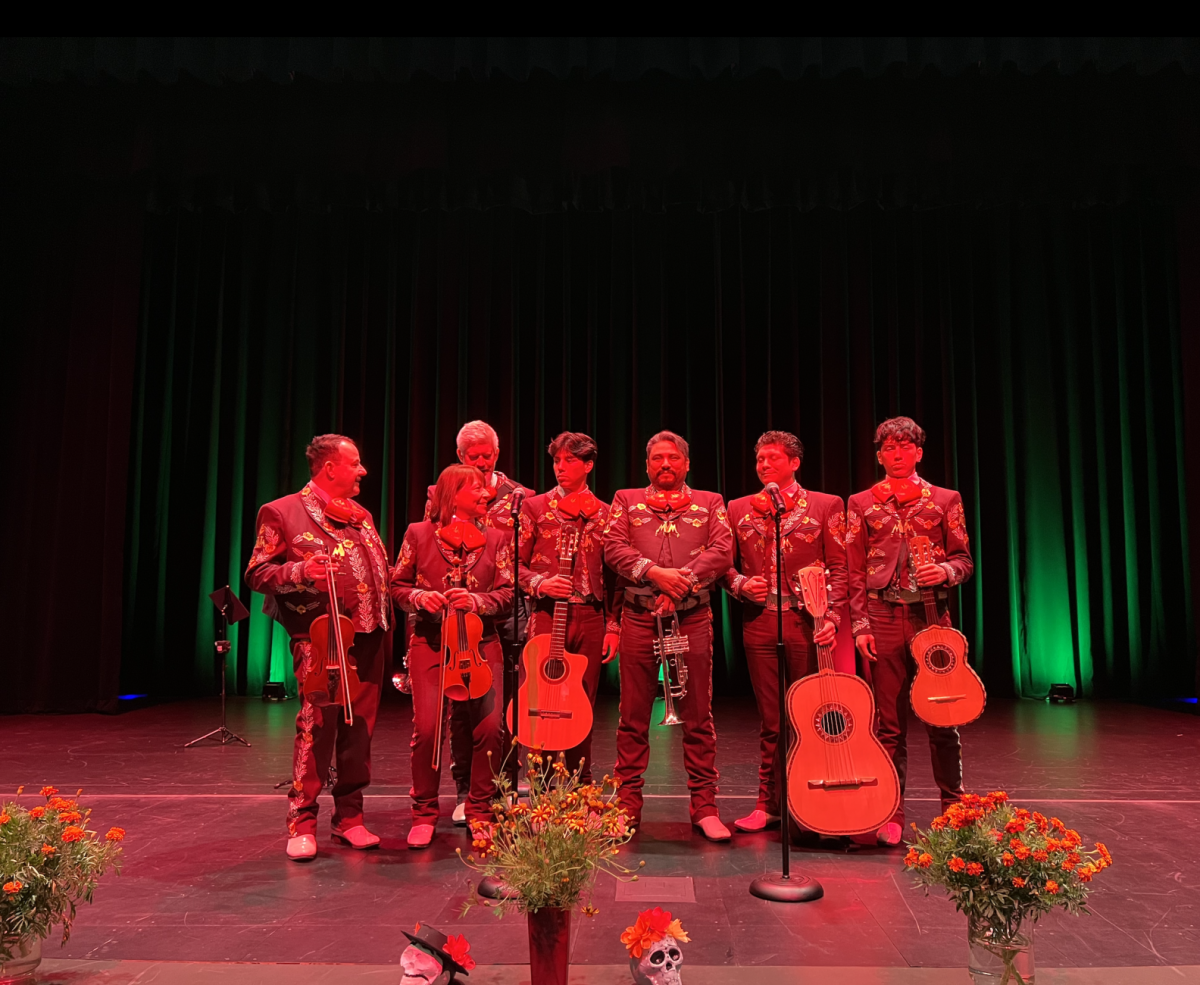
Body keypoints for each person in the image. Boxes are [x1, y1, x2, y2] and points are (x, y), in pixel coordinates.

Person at [245, 434, 391, 862]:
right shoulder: (283, 511)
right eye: (356, 463)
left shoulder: (360, 515)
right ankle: (301, 821)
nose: (363, 470)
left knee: (358, 729)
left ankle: (350, 818)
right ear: (330, 468)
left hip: (367, 636)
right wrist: (301, 569)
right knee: (318, 724)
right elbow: (257, 573)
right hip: (319, 637)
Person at [602, 430, 735, 842]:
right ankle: (626, 807)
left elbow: (723, 551)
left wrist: (681, 583)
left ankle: (705, 807)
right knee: (632, 717)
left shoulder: (710, 502)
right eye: (657, 458)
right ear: (646, 464)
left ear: (686, 464)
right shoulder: (625, 500)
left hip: (691, 618)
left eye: (673, 458)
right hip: (639, 618)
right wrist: (653, 573)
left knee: (698, 715)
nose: (665, 464)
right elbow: (611, 547)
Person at [846, 416, 973, 845]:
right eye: (888, 448)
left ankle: (954, 809)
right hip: (882, 617)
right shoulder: (861, 502)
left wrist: (947, 571)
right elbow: (853, 569)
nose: (896, 455)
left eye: (904, 447)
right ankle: (891, 812)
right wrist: (860, 624)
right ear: (879, 454)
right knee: (887, 723)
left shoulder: (944, 499)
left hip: (932, 618)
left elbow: (964, 559)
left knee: (943, 714)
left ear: (918, 452)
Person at [721, 430, 848, 833]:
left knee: (810, 714)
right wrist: (740, 584)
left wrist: (832, 619)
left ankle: (812, 798)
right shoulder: (739, 508)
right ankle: (769, 802)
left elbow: (841, 567)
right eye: (759, 459)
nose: (763, 465)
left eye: (772, 458)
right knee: (772, 718)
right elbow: (721, 565)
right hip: (760, 622)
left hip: (806, 622)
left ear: (795, 463)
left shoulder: (827, 506)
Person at [392, 464, 514, 849]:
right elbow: (397, 584)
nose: (485, 494)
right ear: (453, 494)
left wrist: (478, 600)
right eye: (476, 488)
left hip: (482, 644)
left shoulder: (498, 539)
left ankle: (480, 809)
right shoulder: (419, 534)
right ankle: (424, 812)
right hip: (431, 643)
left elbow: (509, 594)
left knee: (491, 728)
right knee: (427, 730)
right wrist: (418, 597)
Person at [422, 420, 533, 825]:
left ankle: (503, 787)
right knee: (462, 706)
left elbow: (526, 558)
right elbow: (431, 545)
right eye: (475, 457)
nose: (483, 462)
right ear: (461, 458)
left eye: (488, 455)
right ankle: (465, 790)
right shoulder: (442, 493)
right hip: (461, 614)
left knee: (507, 706)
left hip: (508, 608)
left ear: (497, 454)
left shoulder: (522, 496)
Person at [517, 432, 620, 779]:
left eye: (569, 461)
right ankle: (539, 786)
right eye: (557, 461)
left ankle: (578, 786)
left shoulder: (606, 514)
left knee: (581, 704)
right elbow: (510, 564)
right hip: (547, 614)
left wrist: (613, 626)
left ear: (588, 465)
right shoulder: (534, 507)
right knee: (539, 699)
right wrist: (541, 583)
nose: (560, 468)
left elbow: (616, 575)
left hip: (590, 616)